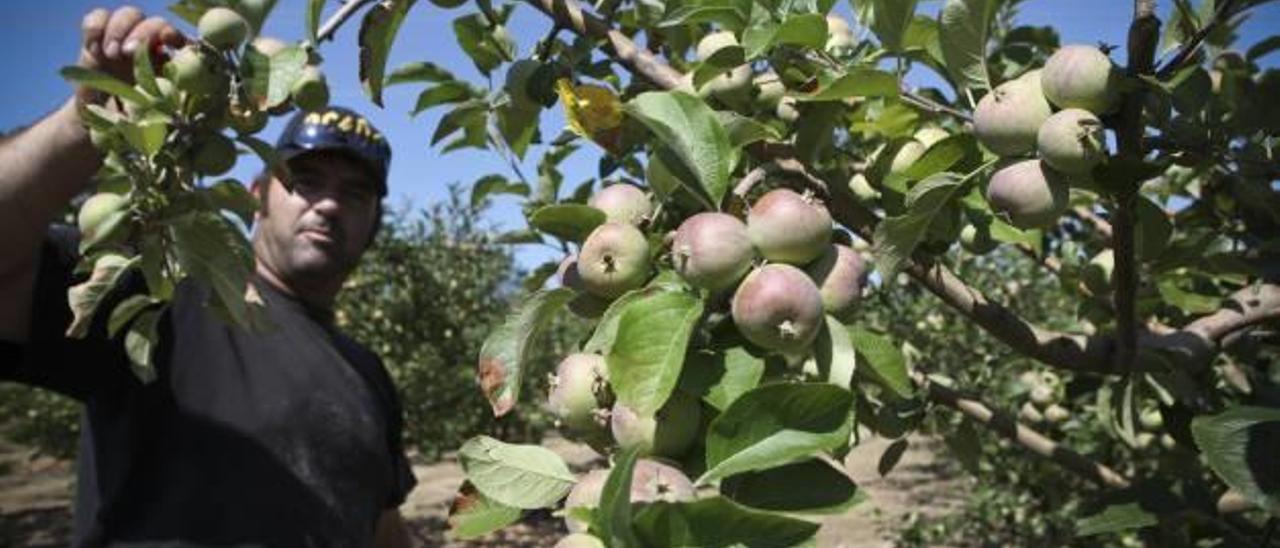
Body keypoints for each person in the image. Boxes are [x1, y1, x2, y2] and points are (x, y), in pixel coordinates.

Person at [0, 6, 416, 547]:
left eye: (356, 193)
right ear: (256, 195)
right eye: (305, 179)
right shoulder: (164, 295)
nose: (330, 205)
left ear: (375, 221)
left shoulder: (368, 374)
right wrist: (82, 126)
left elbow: (382, 528)